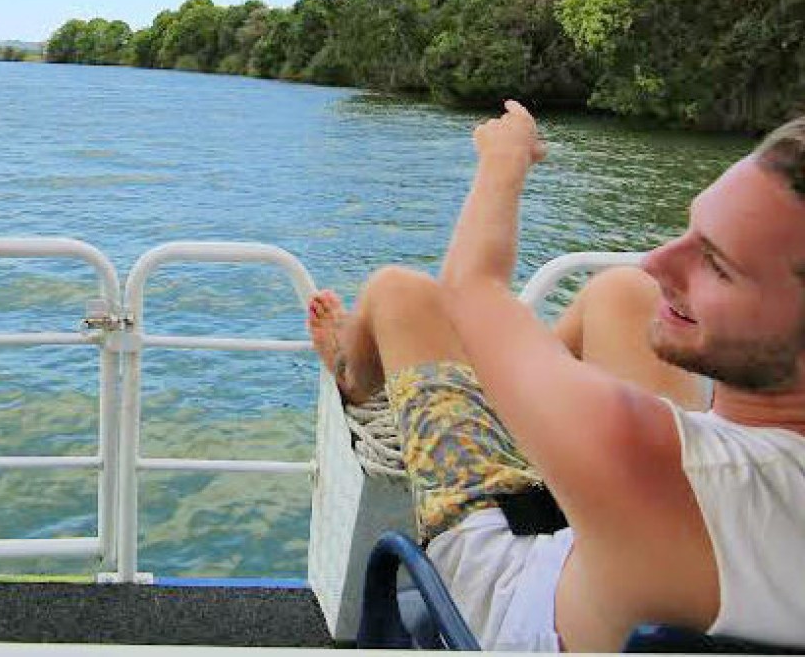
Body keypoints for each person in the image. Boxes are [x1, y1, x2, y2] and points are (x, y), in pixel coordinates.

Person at [308, 100, 805, 652]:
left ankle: (355, 371)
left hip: (510, 599)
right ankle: (517, 391)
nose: (658, 260)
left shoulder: (644, 450)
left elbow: (469, 289)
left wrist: (505, 156)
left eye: (717, 264)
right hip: (648, 562)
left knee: (400, 294)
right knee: (625, 294)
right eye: (689, 231)